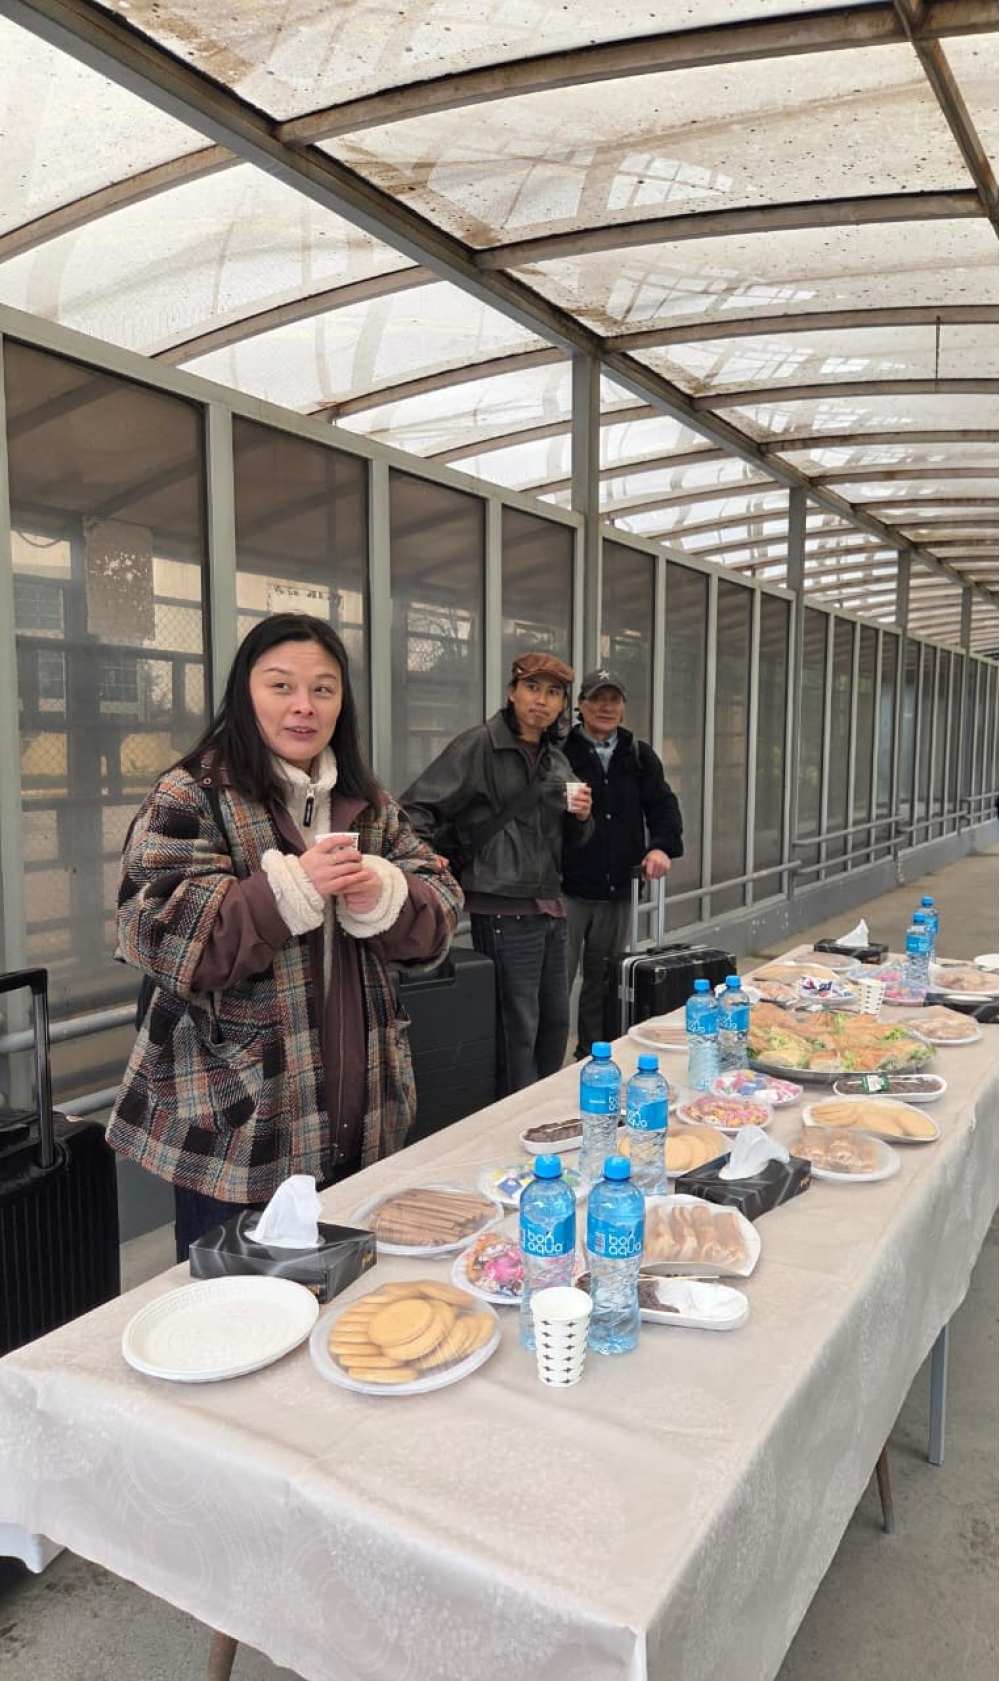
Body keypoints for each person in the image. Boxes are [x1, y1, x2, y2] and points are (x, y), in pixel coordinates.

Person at [108, 613, 462, 1260]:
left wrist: (388, 894)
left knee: (350, 1296)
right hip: (238, 1132)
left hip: (365, 1117)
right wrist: (288, 891)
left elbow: (439, 911)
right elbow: (154, 932)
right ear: (244, 693)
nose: (304, 705)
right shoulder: (191, 794)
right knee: (239, 1306)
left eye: (323, 689)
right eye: (281, 686)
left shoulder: (368, 800)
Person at [400, 652, 593, 1096]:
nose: (541, 700)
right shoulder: (478, 746)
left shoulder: (556, 760)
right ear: (512, 692)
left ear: (563, 704)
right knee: (517, 1028)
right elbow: (412, 811)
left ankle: (540, 1109)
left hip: (550, 906)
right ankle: (514, 1117)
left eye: (553, 692)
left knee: (553, 1024)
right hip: (503, 906)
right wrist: (428, 861)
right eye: (532, 688)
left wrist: (583, 819)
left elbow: (572, 844)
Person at [561, 667, 683, 1059]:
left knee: (603, 980)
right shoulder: (559, 753)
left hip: (618, 888)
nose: (605, 707)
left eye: (613, 699)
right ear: (580, 705)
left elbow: (663, 806)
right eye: (596, 698)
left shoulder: (638, 755)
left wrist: (661, 848)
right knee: (555, 982)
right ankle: (544, 1068)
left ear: (623, 707)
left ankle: (592, 1057)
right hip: (565, 889)